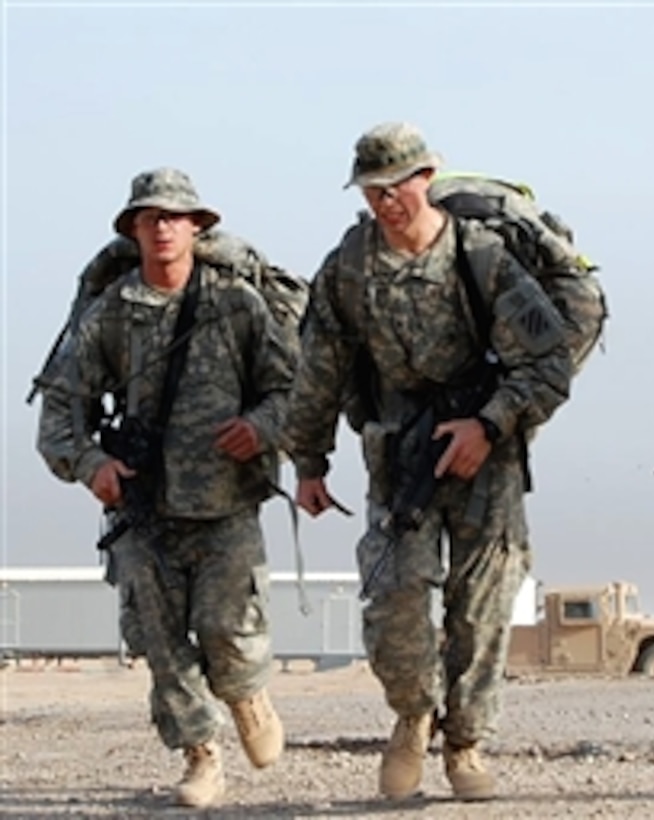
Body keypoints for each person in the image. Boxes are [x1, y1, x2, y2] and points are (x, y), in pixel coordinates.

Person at [282, 122, 573, 802]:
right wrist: (309, 461)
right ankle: (413, 715)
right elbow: (317, 370)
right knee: (394, 601)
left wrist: (490, 424)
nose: (385, 203)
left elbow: (550, 362)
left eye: (395, 188)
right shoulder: (348, 268)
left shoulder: (483, 257)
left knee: (481, 610)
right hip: (399, 457)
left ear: (426, 179)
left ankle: (466, 743)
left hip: (485, 462)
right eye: (371, 191)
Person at [36, 168, 296, 808]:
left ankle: (244, 692)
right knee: (159, 642)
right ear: (133, 229)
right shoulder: (111, 314)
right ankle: (201, 755)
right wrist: (91, 463)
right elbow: (59, 409)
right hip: (144, 507)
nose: (162, 228)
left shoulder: (236, 304)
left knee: (226, 632)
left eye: (175, 217)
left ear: (197, 227)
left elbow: (294, 388)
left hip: (227, 503)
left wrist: (261, 427)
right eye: (150, 218)